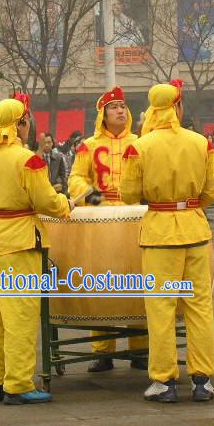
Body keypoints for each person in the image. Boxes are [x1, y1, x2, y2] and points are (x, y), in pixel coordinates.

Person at [120, 80, 214, 403]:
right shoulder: (201, 143)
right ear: (177, 106)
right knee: (200, 307)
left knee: (160, 310)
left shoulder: (141, 146)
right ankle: (202, 380)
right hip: (195, 229)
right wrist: (188, 206)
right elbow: (211, 192)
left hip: (160, 232)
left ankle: (164, 381)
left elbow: (128, 194)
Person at [0, 98, 72, 405]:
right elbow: (46, 201)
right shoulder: (27, 159)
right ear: (19, 125)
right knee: (20, 314)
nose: (29, 128)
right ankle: (17, 383)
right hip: (19, 239)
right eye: (26, 122)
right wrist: (65, 205)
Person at [68, 86, 148, 373]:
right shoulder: (88, 145)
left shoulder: (140, 142)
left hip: (134, 216)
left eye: (122, 106)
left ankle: (140, 348)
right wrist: (93, 196)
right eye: (113, 107)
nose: (120, 111)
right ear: (102, 113)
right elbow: (76, 177)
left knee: (137, 281)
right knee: (102, 282)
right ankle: (102, 350)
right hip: (100, 220)